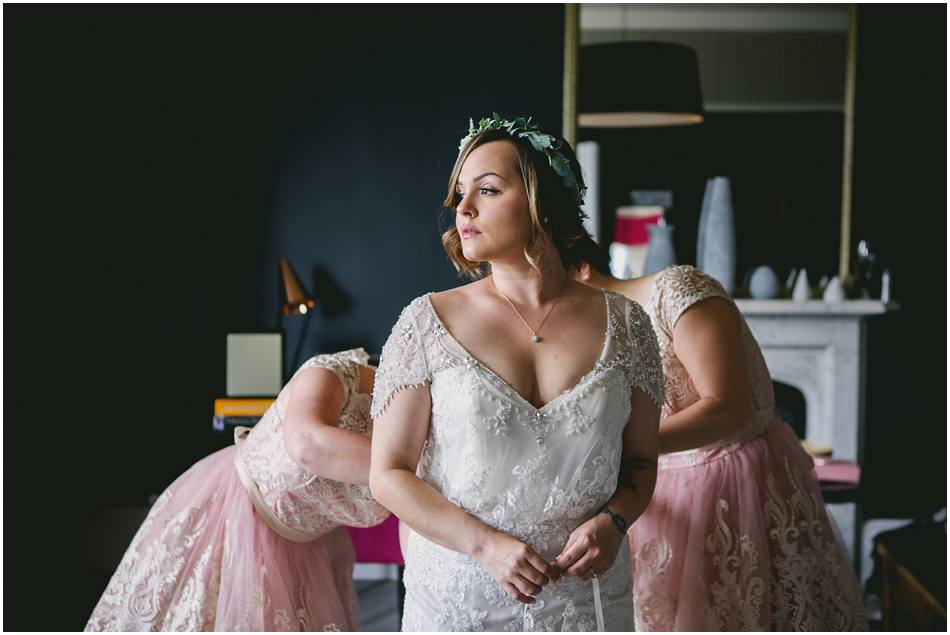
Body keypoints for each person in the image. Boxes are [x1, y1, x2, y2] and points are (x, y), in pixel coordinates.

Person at [368, 115, 665, 631]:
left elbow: (640, 463)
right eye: (459, 193)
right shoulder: (427, 322)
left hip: (586, 600)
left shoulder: (629, 325)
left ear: (542, 203)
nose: (463, 209)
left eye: (487, 190)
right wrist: (484, 546)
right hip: (461, 598)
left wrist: (615, 523)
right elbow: (388, 474)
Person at [569, 239, 868, 631]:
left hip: (735, 489)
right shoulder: (586, 336)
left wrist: (620, 448)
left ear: (578, 267)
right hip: (658, 499)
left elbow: (729, 408)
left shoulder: (673, 292)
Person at [85, 348, 390, 631]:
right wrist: (411, 465)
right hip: (230, 518)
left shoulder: (425, 437)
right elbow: (307, 444)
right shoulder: (334, 375)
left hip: (306, 552)